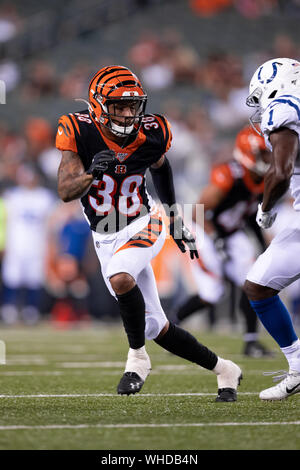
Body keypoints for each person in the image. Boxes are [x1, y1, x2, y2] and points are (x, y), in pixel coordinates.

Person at [55, 65, 242, 401]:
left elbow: (160, 165)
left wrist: (174, 217)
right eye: (119, 106)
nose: (128, 114)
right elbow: (66, 190)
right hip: (105, 235)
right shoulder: (79, 130)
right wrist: (89, 174)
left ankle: (137, 360)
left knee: (120, 275)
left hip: (145, 219)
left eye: (132, 106)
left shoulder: (151, 132)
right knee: (156, 326)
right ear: (98, 105)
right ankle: (225, 370)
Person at [172, 125, 273, 357]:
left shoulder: (264, 178)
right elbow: (199, 211)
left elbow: (250, 216)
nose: (269, 157)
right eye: (264, 153)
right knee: (212, 294)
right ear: (250, 153)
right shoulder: (230, 174)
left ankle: (251, 342)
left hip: (232, 231)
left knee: (253, 284)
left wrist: (264, 248)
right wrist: (216, 240)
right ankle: (170, 326)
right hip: (205, 230)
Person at [243, 58, 300, 401]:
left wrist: (265, 209)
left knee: (258, 286)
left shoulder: (283, 107)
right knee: (259, 285)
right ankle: (297, 366)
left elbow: (280, 171)